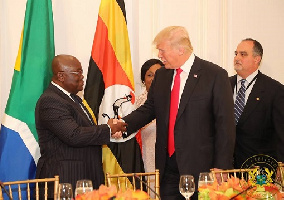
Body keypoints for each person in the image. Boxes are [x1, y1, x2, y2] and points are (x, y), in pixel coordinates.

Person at [122, 26, 236, 200]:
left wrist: (222, 165)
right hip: (168, 166)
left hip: (202, 168)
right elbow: (149, 109)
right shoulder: (161, 76)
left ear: (180, 49)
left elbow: (225, 124)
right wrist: (123, 124)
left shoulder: (214, 75)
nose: (159, 55)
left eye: (162, 50)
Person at [35, 54, 127, 197]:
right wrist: (108, 129)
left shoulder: (73, 99)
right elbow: (74, 135)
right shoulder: (51, 101)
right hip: (66, 180)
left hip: (85, 177)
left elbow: (85, 132)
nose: (82, 76)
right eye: (78, 72)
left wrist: (108, 129)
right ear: (61, 76)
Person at [230, 38, 284, 169]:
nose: (237, 58)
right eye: (236, 53)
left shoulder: (274, 90)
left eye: (243, 54)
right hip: (227, 169)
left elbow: (281, 133)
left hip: (260, 169)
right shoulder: (223, 85)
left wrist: (281, 165)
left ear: (257, 59)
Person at [135, 59, 163, 173]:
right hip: (146, 153)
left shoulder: (174, 100)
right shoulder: (136, 103)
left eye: (158, 74)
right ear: (143, 80)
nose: (154, 78)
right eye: (149, 75)